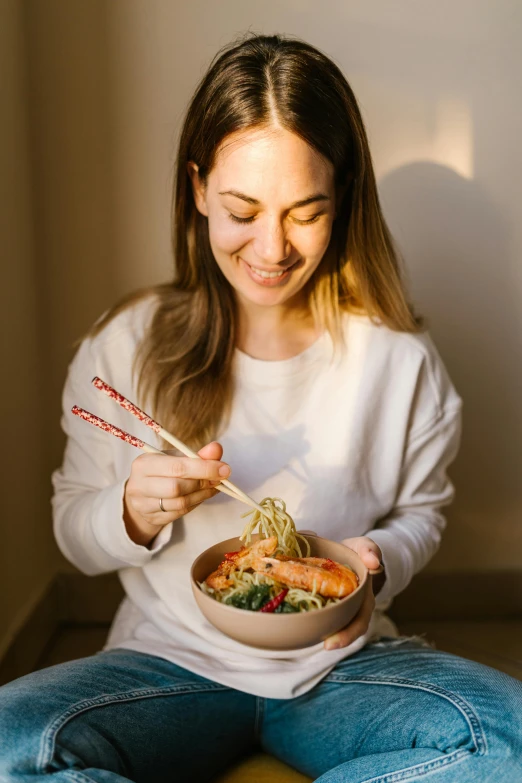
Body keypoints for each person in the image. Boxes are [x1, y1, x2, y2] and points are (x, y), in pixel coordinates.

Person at [0, 32, 520, 783]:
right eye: (242, 208)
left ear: (342, 200)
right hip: (166, 665)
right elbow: (73, 530)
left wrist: (378, 564)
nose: (271, 248)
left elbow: (423, 514)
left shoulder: (398, 360)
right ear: (199, 187)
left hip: (339, 670)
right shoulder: (126, 345)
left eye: (305, 211)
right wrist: (132, 512)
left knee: (510, 741)